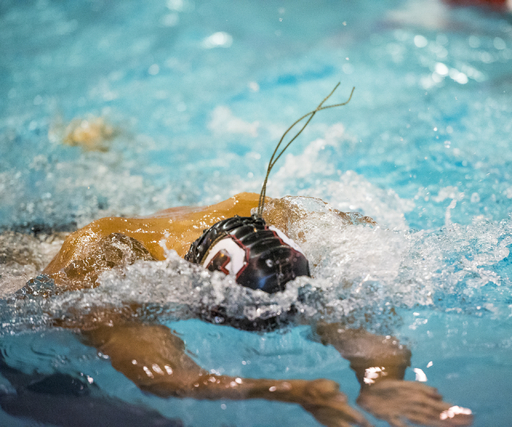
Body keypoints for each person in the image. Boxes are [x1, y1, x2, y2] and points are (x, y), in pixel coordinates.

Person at [32, 86, 473, 427]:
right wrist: (286, 390)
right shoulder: (103, 258)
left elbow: (348, 314)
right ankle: (90, 141)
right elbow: (162, 374)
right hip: (30, 245)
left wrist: (381, 382)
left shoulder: (286, 221)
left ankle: (96, 141)